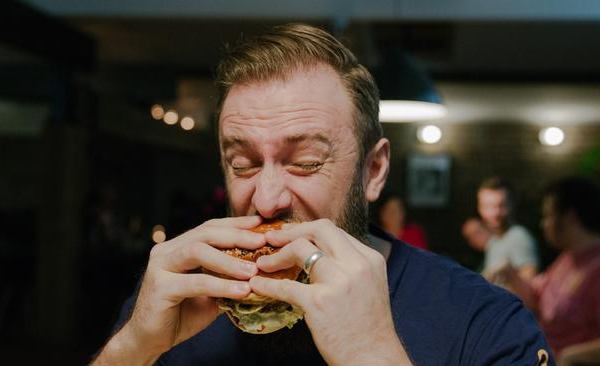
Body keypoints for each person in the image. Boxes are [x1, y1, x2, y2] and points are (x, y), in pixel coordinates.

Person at [91, 24, 552, 365]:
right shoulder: (178, 297)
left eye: (306, 163)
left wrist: (369, 354)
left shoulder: (485, 321)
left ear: (373, 171)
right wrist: (132, 347)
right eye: (244, 164)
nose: (267, 199)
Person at [487, 177, 600, 365]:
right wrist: (510, 274)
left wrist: (569, 356)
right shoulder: (567, 259)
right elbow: (535, 298)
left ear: (570, 217)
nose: (543, 224)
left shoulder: (595, 267)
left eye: (548, 216)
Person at [474, 177, 539, 280]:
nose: (495, 213)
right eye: (488, 206)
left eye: (501, 205)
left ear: (512, 205)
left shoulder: (519, 237)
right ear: (480, 208)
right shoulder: (493, 241)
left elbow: (529, 286)